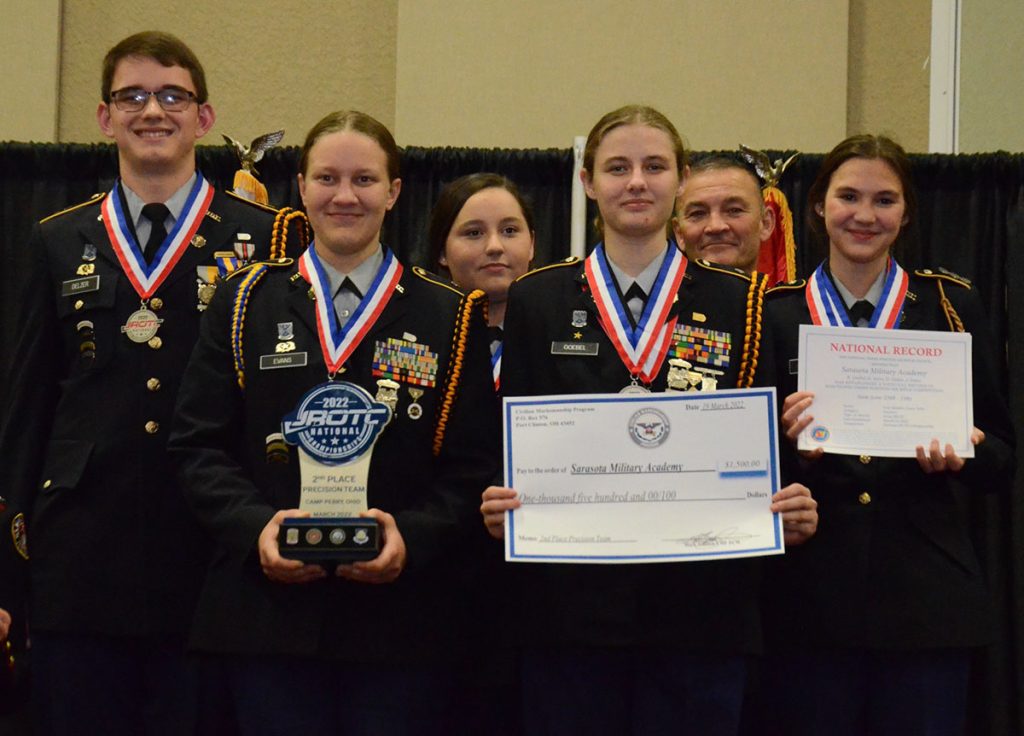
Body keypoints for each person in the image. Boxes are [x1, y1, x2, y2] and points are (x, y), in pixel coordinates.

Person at [480, 105, 818, 736]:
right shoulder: (538, 299)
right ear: (587, 182)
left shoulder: (742, 301)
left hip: (703, 617)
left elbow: (770, 446)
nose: (636, 182)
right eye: (618, 167)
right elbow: (506, 442)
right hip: (570, 616)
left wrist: (793, 498)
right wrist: (498, 502)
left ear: (680, 178)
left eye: (654, 166)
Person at [168, 110, 499, 735]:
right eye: (327, 177)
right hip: (266, 623)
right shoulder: (242, 301)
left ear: (395, 191)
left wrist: (411, 535)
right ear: (300, 186)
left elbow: (472, 469)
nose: (345, 196)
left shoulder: (450, 314)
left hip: (402, 629)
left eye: (365, 180)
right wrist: (256, 528)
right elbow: (196, 447)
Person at [0, 30, 288, 733]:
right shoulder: (57, 239)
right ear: (104, 117)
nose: (151, 111)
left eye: (171, 96)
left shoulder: (265, 237)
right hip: (81, 557)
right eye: (132, 96)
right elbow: (27, 408)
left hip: (208, 553)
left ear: (204, 117)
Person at [760, 134, 1015, 735]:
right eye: (848, 196)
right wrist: (790, 449)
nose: (865, 215)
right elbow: (742, 461)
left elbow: (1003, 456)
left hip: (926, 605)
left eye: (884, 200)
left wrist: (963, 455)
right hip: (808, 606)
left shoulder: (950, 306)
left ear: (906, 213)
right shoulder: (773, 313)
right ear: (819, 205)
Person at [427, 172, 535, 388]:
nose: (495, 246)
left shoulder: (557, 331)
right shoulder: (420, 332)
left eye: (509, 230)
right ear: (442, 251)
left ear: (532, 243)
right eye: (474, 233)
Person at [672, 155, 775, 274]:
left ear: (766, 223)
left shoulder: (796, 293)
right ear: (679, 233)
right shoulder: (657, 293)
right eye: (697, 213)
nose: (715, 226)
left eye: (734, 210)